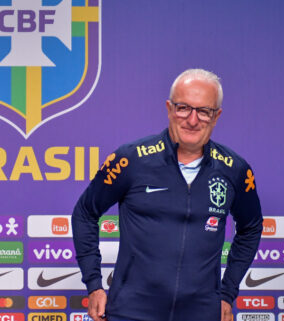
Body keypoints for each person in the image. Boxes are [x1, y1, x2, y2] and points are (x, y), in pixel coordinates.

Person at [72, 69, 263, 321]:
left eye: (204, 111)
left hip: (201, 313)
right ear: (169, 108)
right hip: (131, 312)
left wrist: (227, 293)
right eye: (184, 107)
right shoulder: (131, 159)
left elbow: (251, 227)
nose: (192, 120)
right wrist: (94, 285)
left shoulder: (234, 169)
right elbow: (85, 212)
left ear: (216, 116)